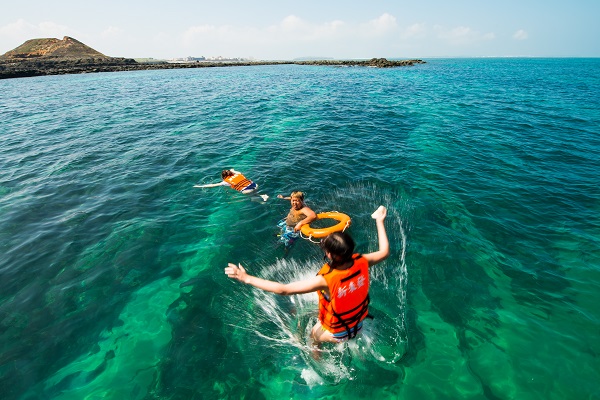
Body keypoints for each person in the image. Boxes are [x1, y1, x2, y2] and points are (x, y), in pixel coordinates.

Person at [225, 206, 389, 344]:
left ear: (330, 255)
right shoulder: (362, 260)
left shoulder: (325, 280)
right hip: (358, 322)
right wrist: (379, 221)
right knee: (322, 315)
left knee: (312, 336)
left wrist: (245, 278)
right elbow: (384, 252)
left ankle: (316, 357)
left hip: (340, 333)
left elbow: (284, 289)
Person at [195, 169, 268, 200]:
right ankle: (263, 195)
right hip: (255, 185)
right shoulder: (238, 174)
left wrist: (200, 186)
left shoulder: (225, 182)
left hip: (247, 190)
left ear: (223, 176)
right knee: (254, 193)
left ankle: (262, 200)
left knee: (253, 198)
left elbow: (213, 185)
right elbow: (234, 171)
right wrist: (232, 170)